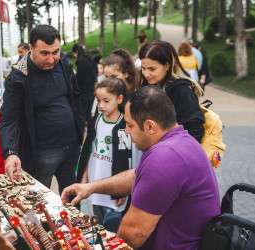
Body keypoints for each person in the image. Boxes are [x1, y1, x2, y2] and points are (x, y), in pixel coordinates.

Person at [62, 86, 220, 249]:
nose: (126, 131)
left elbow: (134, 232)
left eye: (130, 125)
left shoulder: (165, 158)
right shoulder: (180, 140)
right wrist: (90, 187)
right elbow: (136, 175)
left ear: (150, 127)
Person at [0, 25, 83, 194]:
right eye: (44, 53)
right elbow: (7, 119)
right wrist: (10, 152)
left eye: (55, 52)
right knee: (38, 202)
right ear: (31, 49)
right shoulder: (19, 75)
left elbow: (75, 95)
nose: (51, 59)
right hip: (43, 152)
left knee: (73, 200)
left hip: (72, 145)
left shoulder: (63, 61)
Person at [77, 77, 132, 232]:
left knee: (113, 232)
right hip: (96, 188)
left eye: (106, 101)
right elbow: (90, 151)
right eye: (98, 100)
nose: (100, 105)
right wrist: (85, 177)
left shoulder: (125, 125)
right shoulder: (95, 120)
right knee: (100, 229)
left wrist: (123, 189)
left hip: (115, 193)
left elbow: (126, 160)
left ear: (119, 99)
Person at [139, 40, 205, 143]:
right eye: (143, 68)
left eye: (152, 69)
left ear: (167, 66)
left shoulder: (182, 91)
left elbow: (194, 131)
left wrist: (173, 153)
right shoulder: (149, 85)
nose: (146, 74)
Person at [72, 43, 97, 124]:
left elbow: (79, 79)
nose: (74, 55)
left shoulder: (81, 62)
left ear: (76, 52)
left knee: (82, 116)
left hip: (84, 93)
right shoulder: (89, 59)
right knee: (88, 115)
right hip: (91, 91)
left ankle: (81, 135)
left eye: (74, 54)